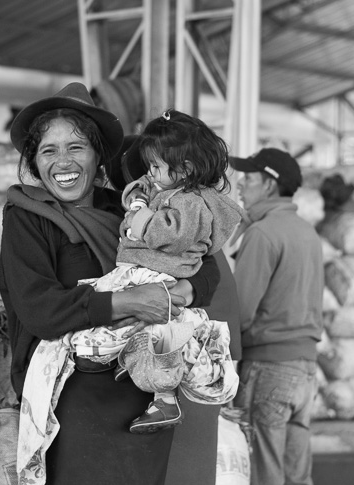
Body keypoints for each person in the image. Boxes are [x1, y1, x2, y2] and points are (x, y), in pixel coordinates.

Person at [0, 82, 221, 485]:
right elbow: (39, 308)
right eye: (47, 150)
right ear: (32, 160)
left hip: (143, 398)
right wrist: (129, 304)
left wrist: (184, 289)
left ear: (98, 153)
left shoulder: (134, 205)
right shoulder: (27, 217)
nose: (62, 162)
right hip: (73, 404)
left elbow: (209, 263)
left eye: (75, 146)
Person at [104, 136, 245, 485]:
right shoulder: (211, 252)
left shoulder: (186, 252)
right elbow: (237, 344)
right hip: (190, 413)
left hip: (171, 414)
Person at [83, 109, 243, 433]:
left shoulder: (190, 202)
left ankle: (158, 394)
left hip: (156, 277)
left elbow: (174, 235)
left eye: (154, 167)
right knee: (141, 328)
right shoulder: (166, 191)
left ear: (184, 170)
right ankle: (127, 359)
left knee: (152, 334)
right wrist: (141, 200)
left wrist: (141, 221)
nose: (150, 175)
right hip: (147, 273)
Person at [229, 147, 325, 485]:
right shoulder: (307, 233)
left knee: (265, 480)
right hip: (306, 373)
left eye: (248, 179)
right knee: (296, 482)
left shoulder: (263, 235)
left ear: (268, 184)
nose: (241, 186)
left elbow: (241, 312)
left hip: (268, 369)